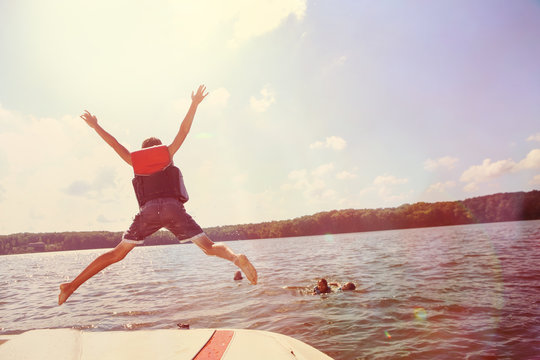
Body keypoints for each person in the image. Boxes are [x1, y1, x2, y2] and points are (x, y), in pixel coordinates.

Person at [58, 85, 257, 305]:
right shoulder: (167, 153)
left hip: (149, 211)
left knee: (117, 254)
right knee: (209, 248)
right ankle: (236, 258)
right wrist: (194, 104)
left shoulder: (135, 161)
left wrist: (95, 125)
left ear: (142, 151)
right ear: (159, 149)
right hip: (173, 208)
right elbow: (183, 131)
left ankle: (71, 286)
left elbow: (114, 144)